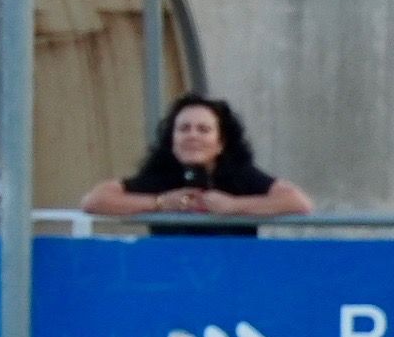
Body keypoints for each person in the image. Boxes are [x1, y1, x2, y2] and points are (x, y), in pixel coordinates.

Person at [83, 94, 314, 235]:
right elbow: (95, 200)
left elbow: (298, 201)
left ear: (220, 143)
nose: (192, 136)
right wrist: (162, 202)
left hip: (232, 283)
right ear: (172, 139)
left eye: (203, 130)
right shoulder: (161, 174)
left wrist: (233, 206)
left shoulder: (239, 174)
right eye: (184, 129)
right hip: (170, 281)